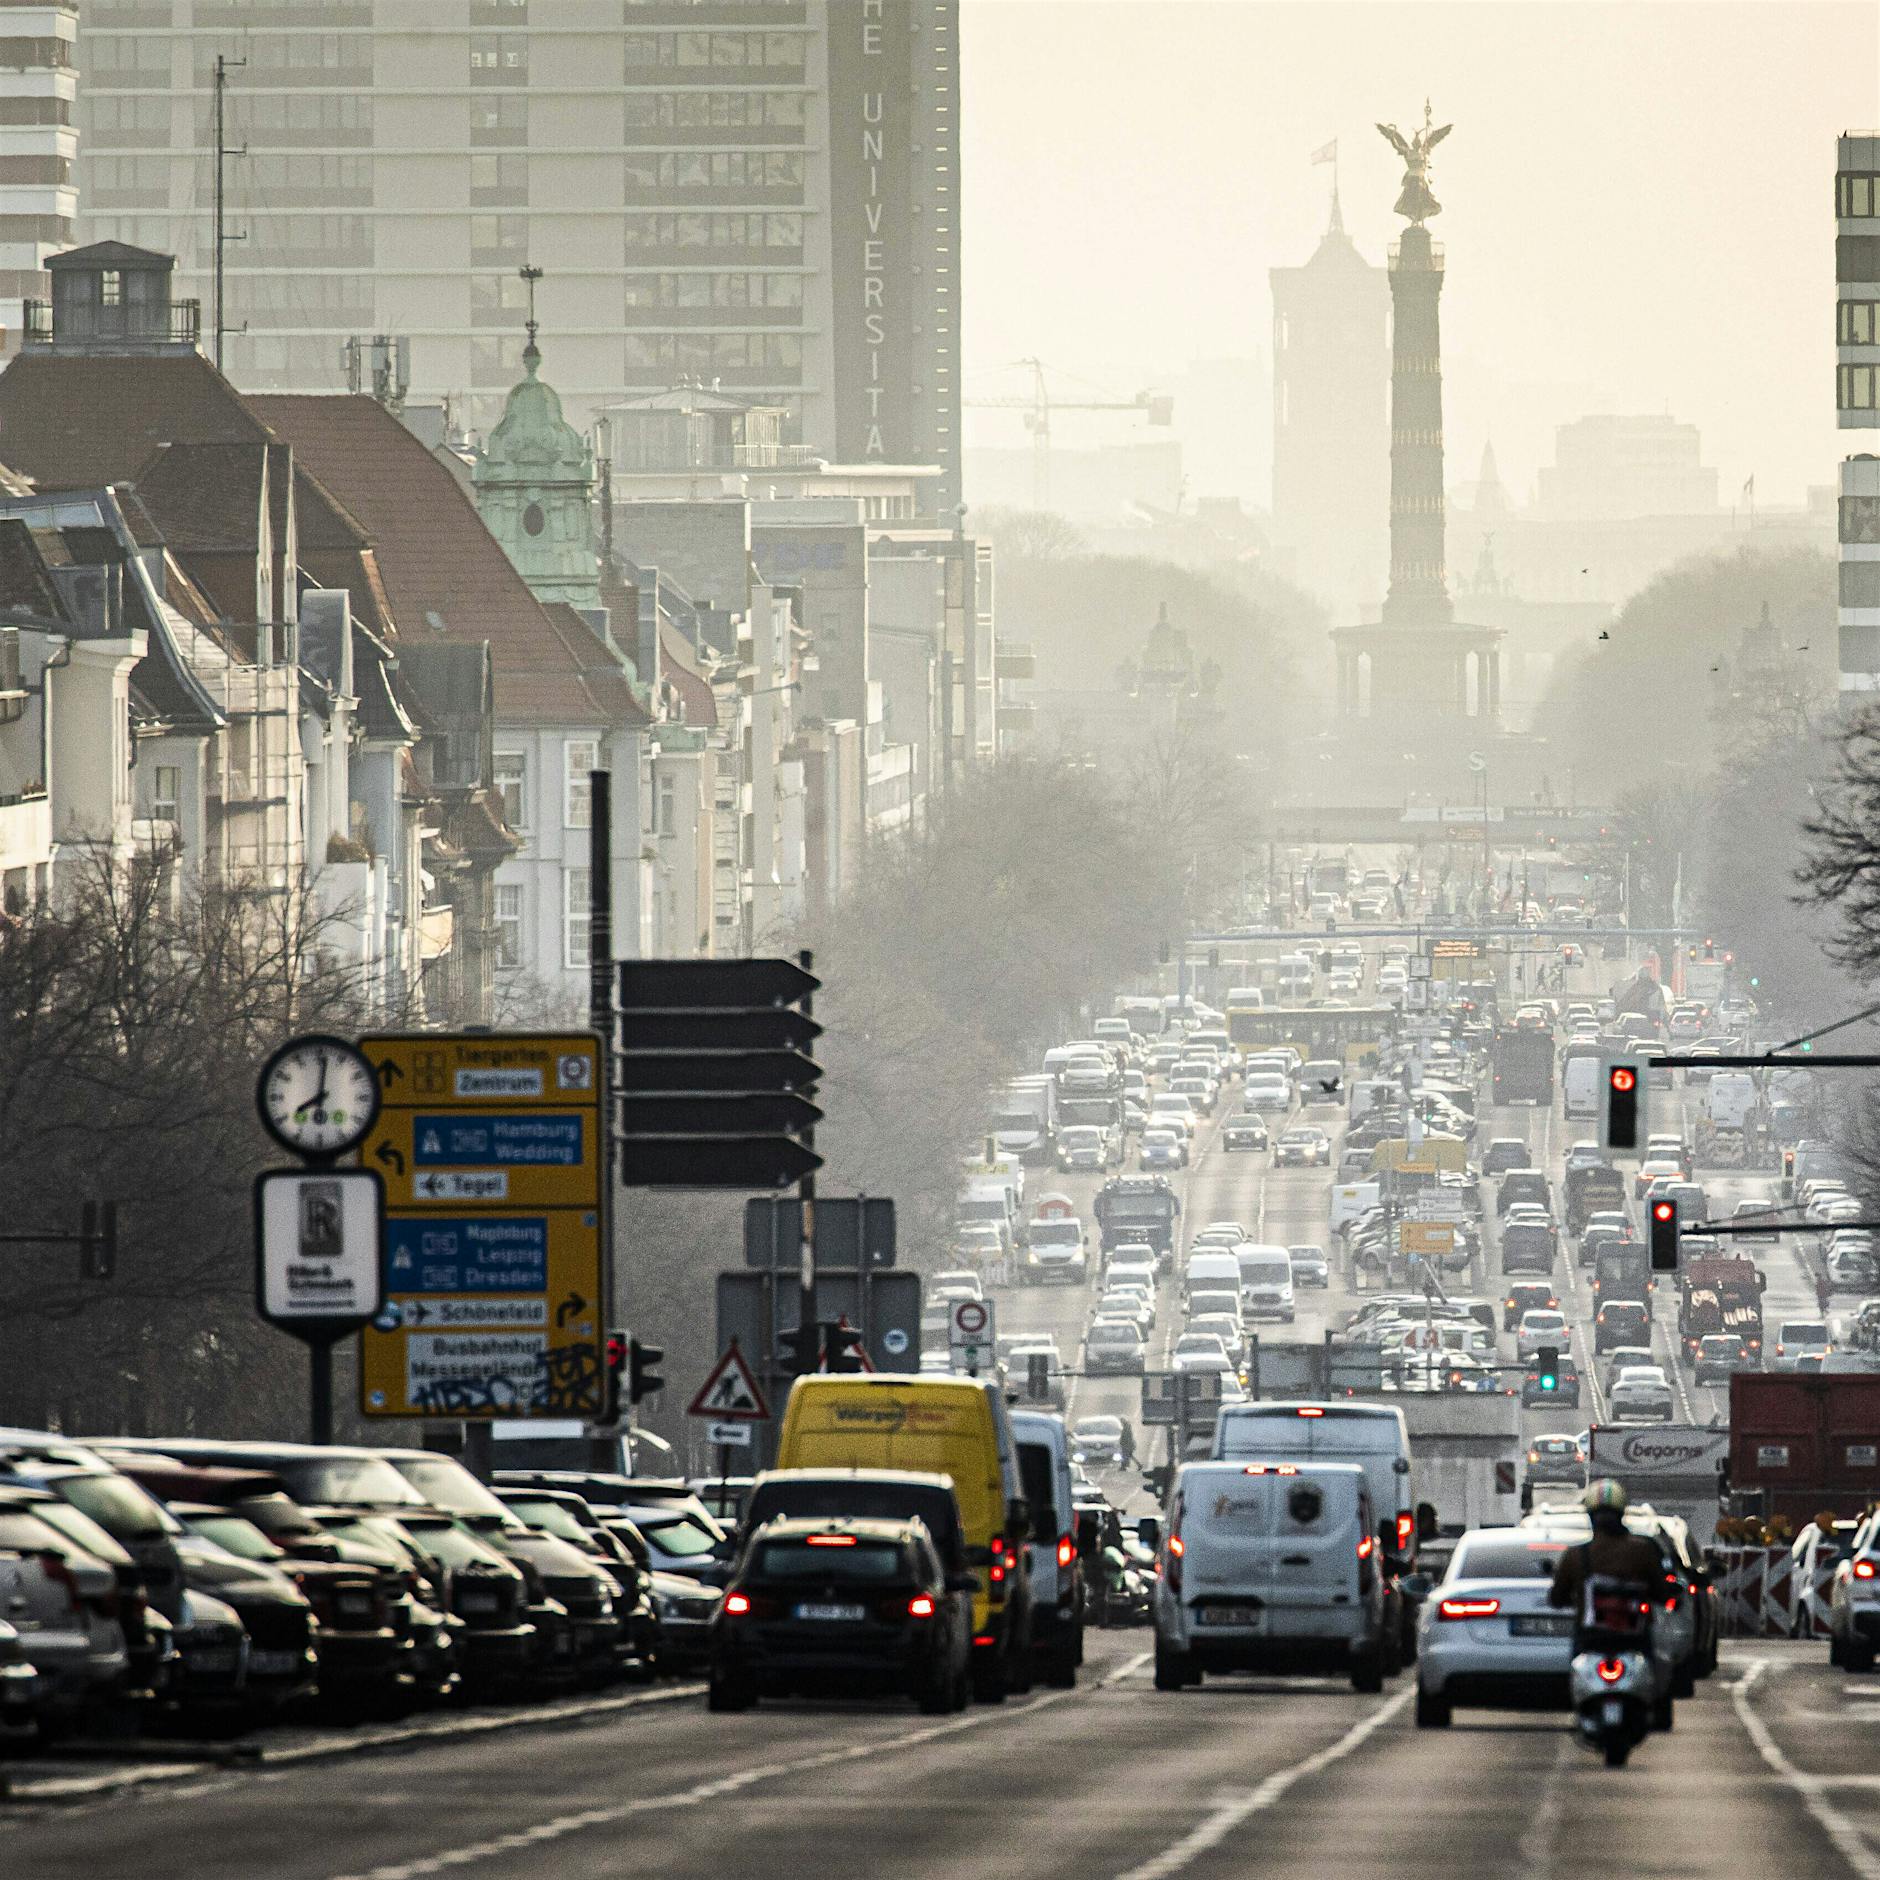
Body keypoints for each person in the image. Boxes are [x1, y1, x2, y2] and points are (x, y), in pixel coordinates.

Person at [1547, 1479, 1665, 1613]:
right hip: (1635, 1634)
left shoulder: (1576, 1555)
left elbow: (1556, 1599)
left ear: (1591, 1517)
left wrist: (1581, 1599)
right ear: (1621, 1515)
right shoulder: (1643, 1551)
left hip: (1590, 1634)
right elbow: (1662, 1594)